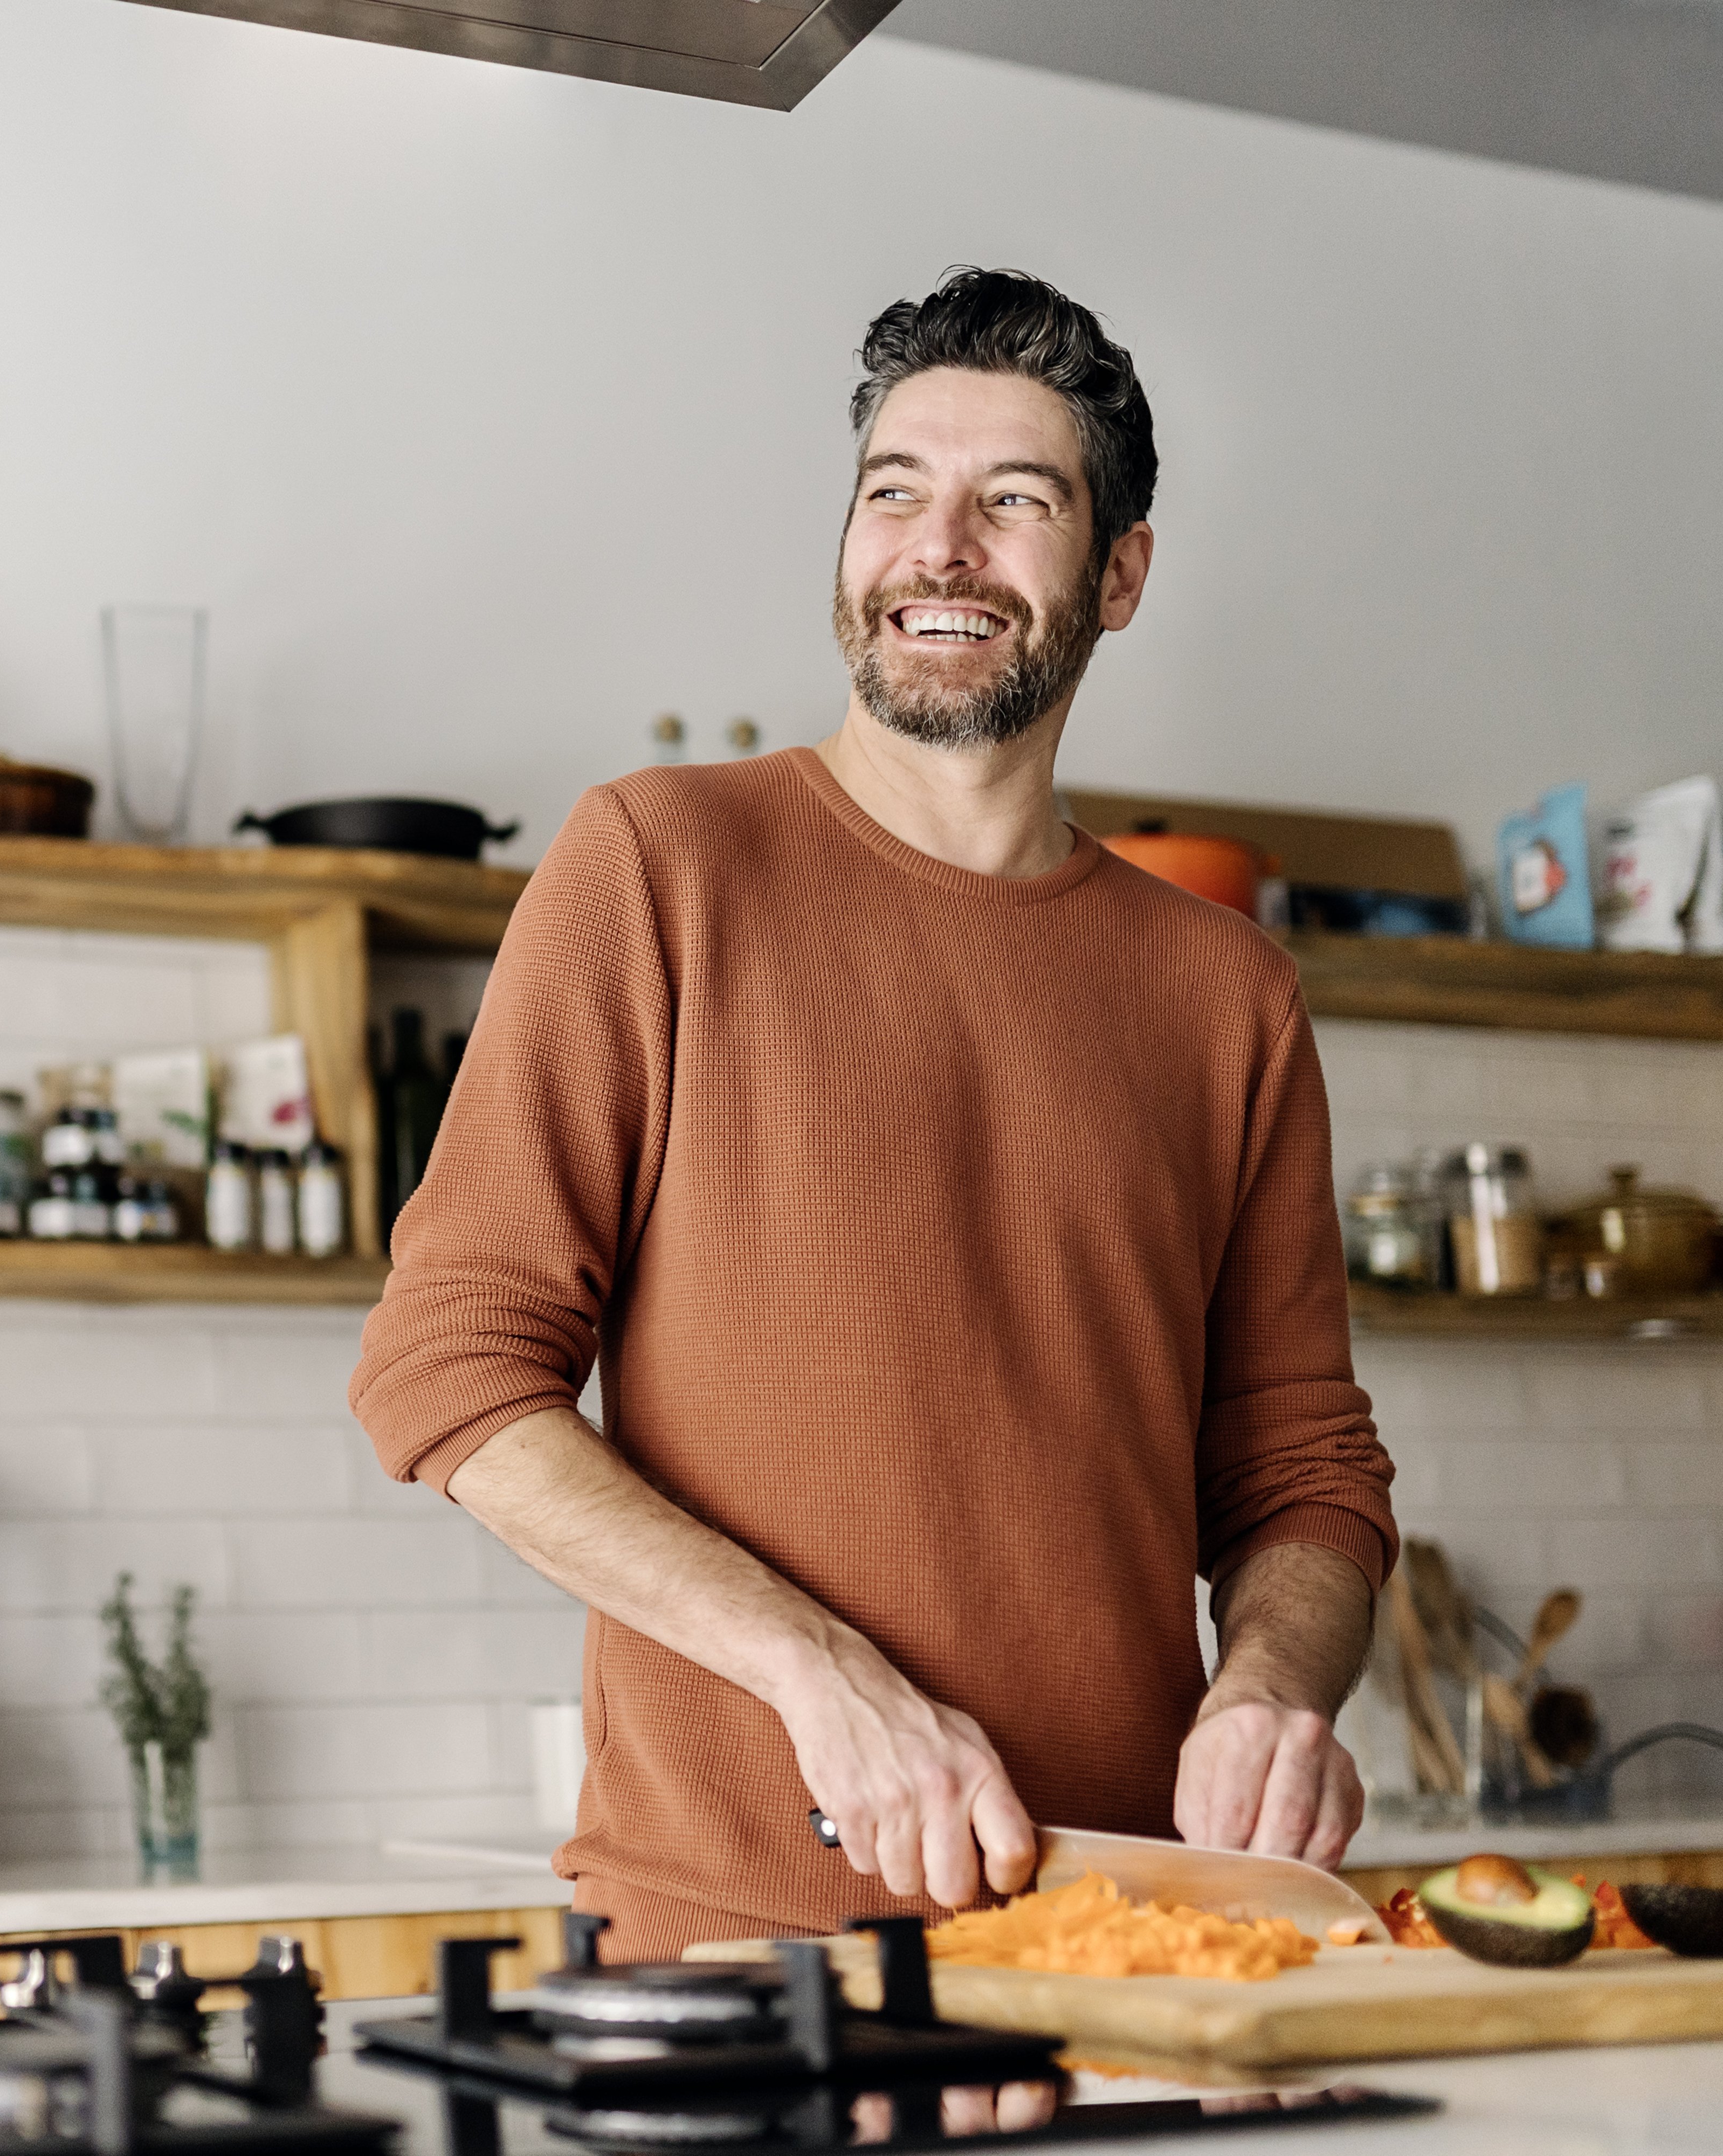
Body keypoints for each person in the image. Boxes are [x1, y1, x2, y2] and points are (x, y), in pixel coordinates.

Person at [348, 268, 1399, 1961]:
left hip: (1125, 1940)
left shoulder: (1229, 1000)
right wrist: (822, 1676)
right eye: (894, 493)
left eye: (1016, 502)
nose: (940, 547)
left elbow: (1303, 1474)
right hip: (733, 1941)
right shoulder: (658, 867)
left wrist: (1272, 1686)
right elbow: (448, 1368)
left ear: (1119, 574)